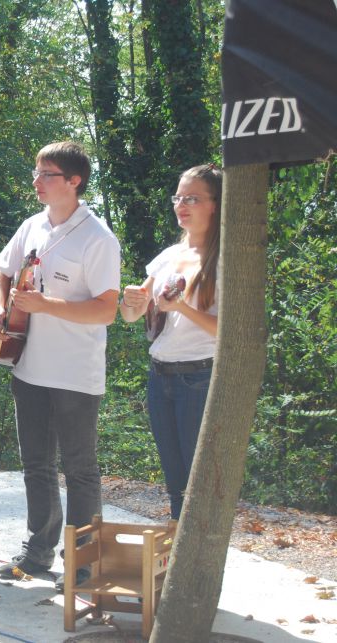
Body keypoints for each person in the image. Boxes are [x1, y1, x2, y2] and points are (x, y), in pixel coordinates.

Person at [0, 142, 120, 590]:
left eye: (46, 174)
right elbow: (0, 272)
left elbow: (105, 310)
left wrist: (46, 304)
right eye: (36, 171)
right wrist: (0, 308)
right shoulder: (32, 226)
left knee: (79, 468)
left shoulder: (98, 238)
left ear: (74, 181)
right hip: (28, 366)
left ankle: (83, 563)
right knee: (36, 464)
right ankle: (38, 551)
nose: (36, 180)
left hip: (75, 374)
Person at [120, 164, 221, 520]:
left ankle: (193, 558)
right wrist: (131, 301)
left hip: (199, 377)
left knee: (196, 477)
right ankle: (179, 555)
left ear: (215, 204)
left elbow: (227, 332)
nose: (182, 204)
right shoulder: (167, 256)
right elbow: (132, 316)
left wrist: (180, 307)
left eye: (192, 198)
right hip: (159, 375)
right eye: (178, 197)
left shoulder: (225, 261)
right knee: (174, 477)